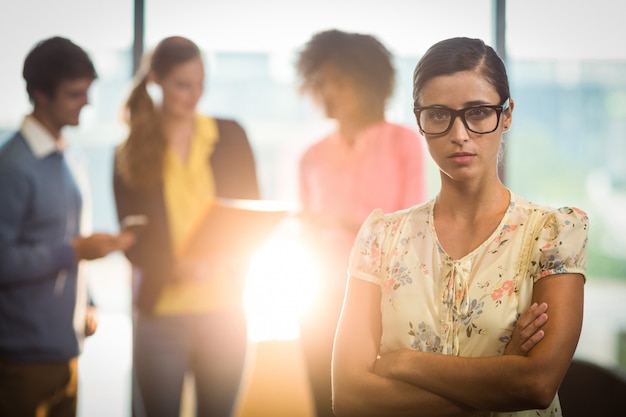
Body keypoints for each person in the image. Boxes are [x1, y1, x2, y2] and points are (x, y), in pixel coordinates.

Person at [331, 36, 589, 417]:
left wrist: (404, 364)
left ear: (507, 114)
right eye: (438, 114)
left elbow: (535, 385)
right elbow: (350, 397)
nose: (459, 134)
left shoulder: (552, 235)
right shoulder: (381, 238)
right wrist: (499, 378)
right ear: (419, 120)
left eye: (478, 112)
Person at [113, 36, 260, 417]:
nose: (195, 95)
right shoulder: (130, 151)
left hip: (226, 311)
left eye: (200, 83)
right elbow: (132, 239)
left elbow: (251, 217)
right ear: (156, 81)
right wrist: (176, 268)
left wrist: (229, 259)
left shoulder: (230, 136)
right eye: (183, 85)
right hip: (161, 315)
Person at [294, 29, 428, 417]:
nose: (328, 92)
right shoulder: (311, 157)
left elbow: (410, 230)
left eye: (339, 82)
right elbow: (307, 236)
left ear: (368, 84)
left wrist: (339, 223)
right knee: (325, 403)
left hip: (382, 301)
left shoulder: (403, 143)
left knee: (382, 403)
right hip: (320, 301)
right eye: (322, 82)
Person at [0, 36, 135, 417]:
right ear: (41, 95)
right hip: (24, 355)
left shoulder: (68, 156)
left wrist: (88, 301)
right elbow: (4, 260)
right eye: (75, 94)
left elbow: (65, 238)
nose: (87, 103)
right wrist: (75, 252)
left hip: (66, 345)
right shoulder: (12, 167)